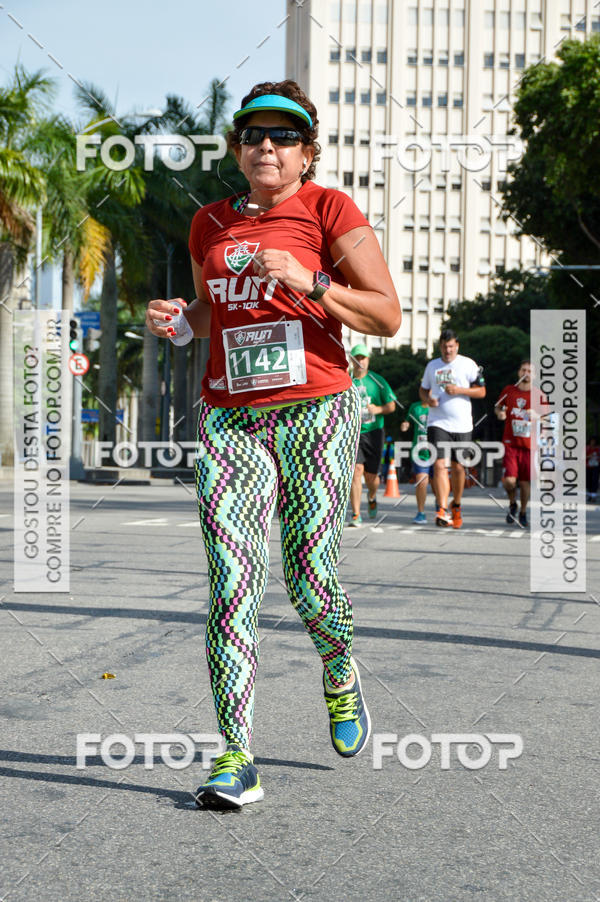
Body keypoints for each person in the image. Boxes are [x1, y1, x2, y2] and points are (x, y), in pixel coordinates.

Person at [145, 80, 401, 808]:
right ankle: (235, 755)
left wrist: (313, 278)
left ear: (307, 153)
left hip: (317, 408)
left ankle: (340, 667)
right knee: (231, 582)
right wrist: (176, 320)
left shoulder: (329, 210)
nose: (267, 146)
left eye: (284, 137)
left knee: (310, 575)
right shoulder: (209, 225)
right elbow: (206, 314)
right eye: (254, 134)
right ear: (236, 148)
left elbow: (386, 316)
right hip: (230, 417)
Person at [419, 329, 486, 528]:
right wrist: (427, 399)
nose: (448, 350)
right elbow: (423, 389)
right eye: (444, 346)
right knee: (439, 465)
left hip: (463, 424)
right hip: (437, 422)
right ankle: (442, 508)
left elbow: (482, 391)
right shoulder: (432, 366)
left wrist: (460, 390)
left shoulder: (468, 364)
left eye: (451, 346)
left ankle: (456, 504)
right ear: (440, 347)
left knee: (459, 468)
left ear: (457, 346)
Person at [348, 345, 397, 526]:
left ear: (368, 360)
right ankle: (355, 513)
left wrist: (378, 409)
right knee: (356, 472)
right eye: (357, 358)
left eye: (363, 358)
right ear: (351, 360)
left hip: (374, 433)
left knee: (371, 477)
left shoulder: (377, 381)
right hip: (354, 433)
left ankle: (372, 495)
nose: (360, 361)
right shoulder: (346, 380)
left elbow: (392, 405)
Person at [495, 360, 542, 527]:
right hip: (511, 443)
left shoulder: (539, 395)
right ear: (518, 372)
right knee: (509, 481)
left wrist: (536, 415)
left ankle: (522, 512)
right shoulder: (509, 391)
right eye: (523, 370)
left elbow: (549, 419)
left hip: (530, 445)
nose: (526, 373)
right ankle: (512, 503)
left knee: (524, 482)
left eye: (530, 371)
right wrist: (500, 413)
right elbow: (498, 408)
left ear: (535, 375)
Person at [400, 396, 432, 524]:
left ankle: (440, 508)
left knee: (436, 484)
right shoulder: (415, 406)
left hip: (437, 449)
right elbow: (407, 421)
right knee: (421, 482)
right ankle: (421, 512)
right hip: (420, 450)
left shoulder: (439, 405)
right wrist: (405, 425)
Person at [586, 436, 599, 503]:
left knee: (594, 480)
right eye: (591, 441)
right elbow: (583, 457)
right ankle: (590, 495)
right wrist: (589, 456)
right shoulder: (587, 448)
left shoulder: (598, 448)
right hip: (588, 466)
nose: (593, 442)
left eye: (594, 441)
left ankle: (593, 496)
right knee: (588, 481)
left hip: (596, 466)